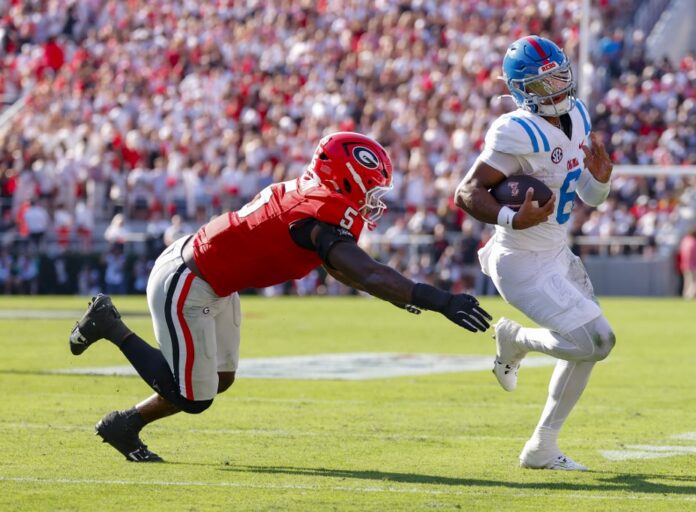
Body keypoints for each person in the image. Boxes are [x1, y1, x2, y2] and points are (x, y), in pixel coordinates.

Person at [68, 132, 492, 462]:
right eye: (369, 188)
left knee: (220, 378)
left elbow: (346, 271)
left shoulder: (316, 199)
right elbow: (366, 271)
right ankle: (110, 326)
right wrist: (440, 300)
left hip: (215, 279)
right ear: (345, 178)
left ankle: (125, 425)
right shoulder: (316, 213)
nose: (372, 199)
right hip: (189, 279)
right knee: (194, 397)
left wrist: (402, 297)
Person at [455, 36, 616, 471]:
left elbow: (590, 196)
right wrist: (510, 217)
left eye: (560, 78)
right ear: (521, 90)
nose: (556, 89)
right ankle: (515, 339)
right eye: (543, 85)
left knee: (586, 346)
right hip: (521, 260)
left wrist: (600, 180)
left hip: (557, 252)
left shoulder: (578, 115)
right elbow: (467, 192)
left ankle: (542, 446)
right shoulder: (516, 130)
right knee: (597, 340)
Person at [679, 229, 696, 299]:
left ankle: (686, 295)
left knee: (687, 282)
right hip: (694, 266)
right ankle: (689, 296)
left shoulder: (685, 241)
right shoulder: (694, 243)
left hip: (684, 265)